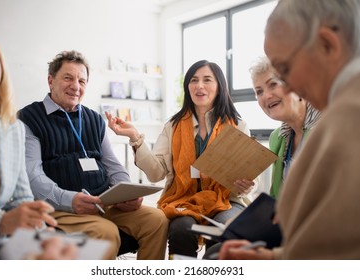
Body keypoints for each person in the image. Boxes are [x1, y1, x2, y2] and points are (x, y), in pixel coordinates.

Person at [219, 0, 360, 259]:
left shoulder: (346, 118)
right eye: (259, 91)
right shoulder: (331, 119)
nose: (288, 88)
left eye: (285, 71)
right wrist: (274, 258)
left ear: (327, 45)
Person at [18, 50, 168, 260]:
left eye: (82, 80)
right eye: (68, 78)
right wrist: (70, 200)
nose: (76, 86)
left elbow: (112, 165)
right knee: (105, 232)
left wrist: (126, 193)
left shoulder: (94, 119)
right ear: (50, 80)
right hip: (61, 207)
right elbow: (33, 176)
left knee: (157, 219)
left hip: (102, 201)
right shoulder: (29, 118)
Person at [106, 59, 255, 258]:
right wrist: (135, 138)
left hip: (227, 200)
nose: (199, 86)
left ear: (219, 86)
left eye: (207, 80)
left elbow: (250, 174)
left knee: (224, 229)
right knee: (180, 230)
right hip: (182, 200)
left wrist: (247, 184)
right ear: (188, 87)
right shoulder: (173, 126)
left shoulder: (237, 125)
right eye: (194, 80)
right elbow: (155, 172)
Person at [0, 30, 76, 260]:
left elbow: (21, 197)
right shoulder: (31, 117)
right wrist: (1, 223)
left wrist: (40, 233)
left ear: (1, 71)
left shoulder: (12, 128)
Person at [249, 56, 320, 199]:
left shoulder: (329, 126)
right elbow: (277, 198)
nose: (266, 96)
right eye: (259, 91)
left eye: (273, 84)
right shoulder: (277, 138)